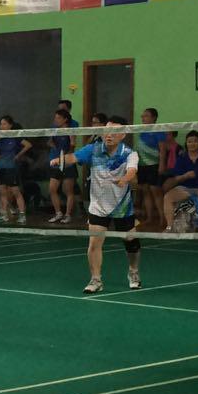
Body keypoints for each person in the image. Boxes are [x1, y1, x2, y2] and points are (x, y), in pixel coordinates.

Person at [54, 117, 141, 294]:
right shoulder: (93, 149)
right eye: (106, 131)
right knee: (94, 243)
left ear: (123, 135)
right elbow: (74, 157)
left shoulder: (129, 153)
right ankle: (96, 279)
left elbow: (132, 171)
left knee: (131, 241)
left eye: (114, 132)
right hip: (98, 205)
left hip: (122, 206)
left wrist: (124, 179)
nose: (109, 135)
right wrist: (61, 160)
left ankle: (133, 272)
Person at [161, 130, 198, 229]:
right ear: (186, 144)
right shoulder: (182, 157)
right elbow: (176, 178)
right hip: (185, 189)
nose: (192, 144)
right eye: (189, 141)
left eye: (195, 141)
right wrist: (185, 176)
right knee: (167, 198)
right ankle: (169, 227)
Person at [0, 116, 32, 224]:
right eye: (1, 124)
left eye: (4, 124)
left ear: (10, 125)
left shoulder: (15, 137)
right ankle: (4, 215)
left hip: (11, 167)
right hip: (1, 168)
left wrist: (18, 155)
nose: (2, 126)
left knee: (16, 192)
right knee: (3, 192)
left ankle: (22, 215)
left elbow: (28, 145)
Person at [134, 107, 165, 229]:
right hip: (142, 166)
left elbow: (162, 150)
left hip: (154, 165)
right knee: (145, 191)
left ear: (154, 118)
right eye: (142, 116)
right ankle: (149, 218)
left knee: (155, 191)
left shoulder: (159, 131)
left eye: (146, 115)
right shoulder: (142, 131)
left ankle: (163, 219)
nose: (143, 118)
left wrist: (161, 165)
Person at [47, 108, 78, 223]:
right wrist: (53, 145)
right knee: (52, 189)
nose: (56, 120)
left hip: (68, 163)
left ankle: (68, 215)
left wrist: (66, 158)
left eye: (59, 118)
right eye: (55, 117)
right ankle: (58, 213)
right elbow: (49, 142)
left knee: (68, 190)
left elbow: (73, 145)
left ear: (65, 119)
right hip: (55, 163)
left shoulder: (70, 130)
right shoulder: (54, 130)